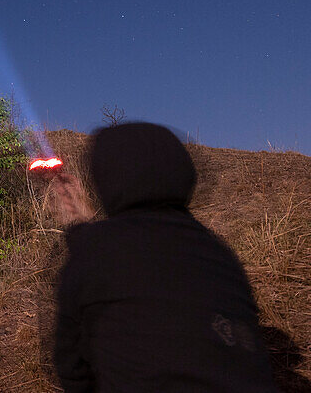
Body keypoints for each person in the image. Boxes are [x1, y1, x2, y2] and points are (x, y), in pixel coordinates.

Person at [47, 122, 278, 392]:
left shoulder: (95, 250)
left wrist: (82, 234)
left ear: (106, 180)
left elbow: (72, 368)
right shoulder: (220, 253)